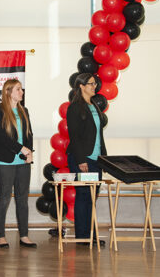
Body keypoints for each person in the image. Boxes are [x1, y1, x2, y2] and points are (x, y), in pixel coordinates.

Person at [0, 79, 36, 248]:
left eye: (21, 90)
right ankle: (0, 236)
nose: (21, 92)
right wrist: (21, 149)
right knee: (3, 198)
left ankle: (24, 235)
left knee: (22, 199)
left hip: (23, 161)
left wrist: (29, 151)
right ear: (8, 92)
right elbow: (1, 136)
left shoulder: (24, 110)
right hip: (4, 160)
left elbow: (29, 133)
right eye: (18, 89)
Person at [66, 72, 107, 246]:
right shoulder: (75, 107)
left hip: (96, 159)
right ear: (81, 86)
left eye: (95, 83)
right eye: (90, 84)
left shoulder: (94, 106)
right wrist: (81, 160)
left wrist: (104, 159)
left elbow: (98, 135)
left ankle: (91, 235)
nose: (94, 86)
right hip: (82, 159)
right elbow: (74, 136)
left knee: (92, 196)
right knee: (84, 195)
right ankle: (82, 237)